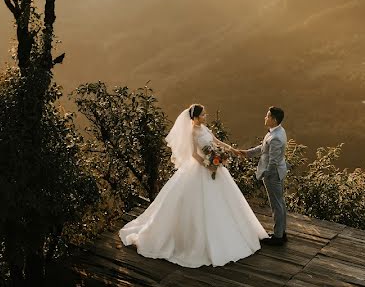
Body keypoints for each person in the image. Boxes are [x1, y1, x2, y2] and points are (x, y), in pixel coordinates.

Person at [119, 104, 268, 267]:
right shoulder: (191, 132)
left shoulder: (204, 128)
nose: (205, 116)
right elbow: (194, 154)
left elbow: (216, 142)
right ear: (195, 117)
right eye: (203, 115)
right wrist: (207, 164)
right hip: (201, 167)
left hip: (214, 167)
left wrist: (232, 150)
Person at [238, 106, 288, 245]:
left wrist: (266, 174)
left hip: (273, 175)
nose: (265, 118)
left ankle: (278, 237)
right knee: (280, 203)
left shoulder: (276, 137)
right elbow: (263, 148)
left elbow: (273, 161)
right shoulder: (278, 131)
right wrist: (247, 153)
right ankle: (281, 233)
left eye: (267, 116)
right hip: (279, 171)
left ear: (274, 119)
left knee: (276, 205)